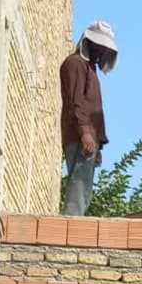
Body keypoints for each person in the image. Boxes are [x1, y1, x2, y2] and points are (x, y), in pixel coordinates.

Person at [59, 21, 117, 217]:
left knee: (83, 189)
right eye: (99, 45)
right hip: (79, 135)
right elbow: (75, 103)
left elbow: (94, 112)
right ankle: (70, 225)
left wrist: (98, 146)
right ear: (89, 42)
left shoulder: (89, 69)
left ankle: (74, 224)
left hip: (88, 138)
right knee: (78, 186)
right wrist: (84, 133)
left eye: (105, 47)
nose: (102, 50)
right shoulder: (75, 64)